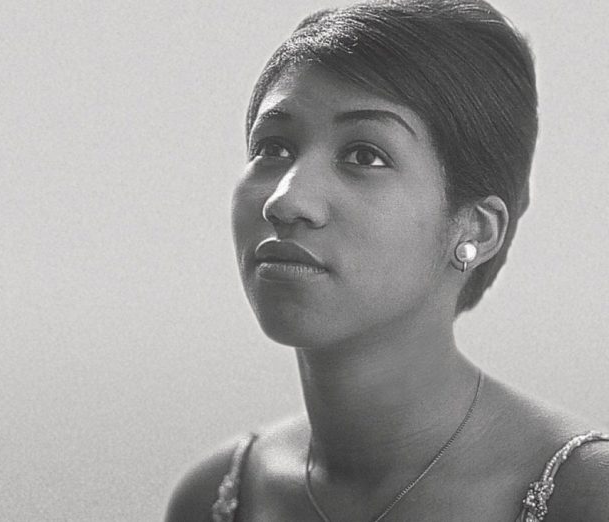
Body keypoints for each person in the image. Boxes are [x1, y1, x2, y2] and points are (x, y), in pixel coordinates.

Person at [166, 1, 609, 520]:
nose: (286, 201)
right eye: (273, 147)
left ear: (476, 228)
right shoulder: (219, 495)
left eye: (364, 155)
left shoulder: (585, 497)